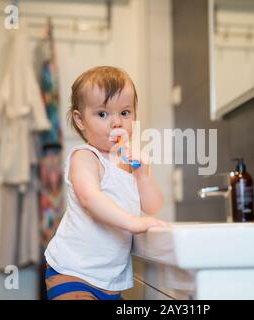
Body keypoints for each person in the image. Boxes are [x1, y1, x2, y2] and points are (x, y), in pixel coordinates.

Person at [44, 66, 168, 300]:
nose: (116, 123)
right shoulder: (85, 157)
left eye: (125, 112)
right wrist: (132, 222)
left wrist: (143, 175)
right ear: (80, 120)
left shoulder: (129, 162)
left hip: (110, 283)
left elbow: (152, 206)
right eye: (102, 114)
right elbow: (90, 198)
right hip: (73, 273)